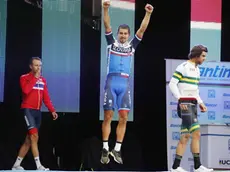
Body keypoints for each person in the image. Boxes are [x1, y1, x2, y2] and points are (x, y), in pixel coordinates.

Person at [100, 0, 153, 164]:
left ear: (128, 35)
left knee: (123, 117)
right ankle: (104, 147)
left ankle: (116, 149)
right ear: (117, 34)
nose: (122, 35)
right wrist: (105, 9)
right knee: (108, 116)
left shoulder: (132, 46)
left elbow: (142, 29)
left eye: (125, 33)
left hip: (125, 83)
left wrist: (148, 13)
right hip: (111, 81)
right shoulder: (111, 43)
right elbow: (106, 25)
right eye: (120, 33)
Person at [169, 45, 213, 172]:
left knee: (185, 136)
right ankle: (198, 166)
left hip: (193, 105)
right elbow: (172, 84)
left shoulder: (197, 70)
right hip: (184, 105)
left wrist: (201, 103)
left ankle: (175, 167)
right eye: (203, 56)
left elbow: (194, 90)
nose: (204, 59)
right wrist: (180, 99)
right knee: (197, 133)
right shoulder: (183, 67)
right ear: (197, 55)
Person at [12, 57, 58, 171]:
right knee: (34, 136)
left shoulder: (43, 80)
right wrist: (34, 78)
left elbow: (46, 97)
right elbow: (26, 91)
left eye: (40, 65)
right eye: (36, 65)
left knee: (29, 140)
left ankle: (16, 165)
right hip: (28, 110)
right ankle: (39, 166)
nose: (38, 68)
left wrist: (52, 110)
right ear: (31, 66)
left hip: (38, 112)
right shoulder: (24, 78)